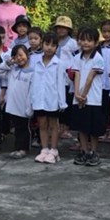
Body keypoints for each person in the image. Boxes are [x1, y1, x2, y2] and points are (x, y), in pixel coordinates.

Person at [70, 27, 106, 167]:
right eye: (83, 40)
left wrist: (83, 95)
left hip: (93, 98)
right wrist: (77, 94)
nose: (85, 43)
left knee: (93, 129)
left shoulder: (98, 58)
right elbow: (77, 75)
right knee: (82, 127)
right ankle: (84, 151)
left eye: (89, 40)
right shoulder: (76, 57)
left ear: (96, 43)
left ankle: (94, 152)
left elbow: (90, 77)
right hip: (79, 97)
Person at [31, 32, 66, 164]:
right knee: (42, 124)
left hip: (53, 99)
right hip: (39, 98)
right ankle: (44, 149)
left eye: (53, 45)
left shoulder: (59, 63)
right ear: (42, 44)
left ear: (56, 48)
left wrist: (62, 102)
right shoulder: (36, 62)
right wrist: (31, 99)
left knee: (53, 125)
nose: (49, 48)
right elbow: (33, 81)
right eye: (47, 44)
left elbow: (61, 83)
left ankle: (54, 150)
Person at [3, 43, 34, 159]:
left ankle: (23, 148)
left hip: (23, 106)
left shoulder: (31, 72)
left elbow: (31, 91)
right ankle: (17, 147)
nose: (19, 58)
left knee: (24, 128)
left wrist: (29, 107)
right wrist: (8, 63)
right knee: (16, 128)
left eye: (21, 55)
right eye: (16, 56)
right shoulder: (12, 70)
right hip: (13, 105)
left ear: (27, 55)